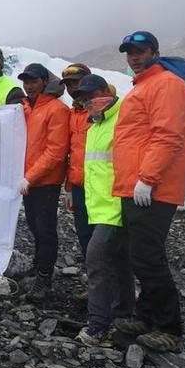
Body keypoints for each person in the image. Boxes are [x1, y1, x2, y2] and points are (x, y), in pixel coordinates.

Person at [112, 31, 185, 353]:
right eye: (130, 52)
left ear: (155, 52)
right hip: (137, 187)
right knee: (138, 255)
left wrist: (147, 178)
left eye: (140, 51)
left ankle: (169, 328)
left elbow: (168, 135)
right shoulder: (142, 86)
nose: (134, 57)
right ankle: (146, 315)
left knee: (148, 257)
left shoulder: (167, 84)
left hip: (152, 189)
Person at [71, 74, 135, 346]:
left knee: (96, 261)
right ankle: (124, 315)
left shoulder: (123, 119)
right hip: (99, 207)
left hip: (117, 205)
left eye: (91, 95)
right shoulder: (95, 125)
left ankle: (98, 324)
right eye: (83, 98)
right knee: (119, 263)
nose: (87, 102)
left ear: (105, 92)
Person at [17, 63, 70, 302]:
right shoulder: (28, 108)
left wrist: (31, 176)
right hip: (29, 180)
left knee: (45, 228)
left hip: (45, 181)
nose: (28, 85)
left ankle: (44, 277)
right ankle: (39, 264)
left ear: (44, 81)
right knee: (33, 225)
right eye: (25, 81)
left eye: (33, 81)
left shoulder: (56, 110)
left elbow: (56, 152)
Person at [59, 62, 95, 299]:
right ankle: (96, 287)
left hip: (103, 186)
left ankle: (119, 291)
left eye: (78, 82)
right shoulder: (73, 113)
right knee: (85, 237)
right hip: (79, 184)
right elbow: (72, 152)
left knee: (106, 240)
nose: (73, 88)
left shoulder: (102, 110)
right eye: (69, 84)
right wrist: (69, 187)